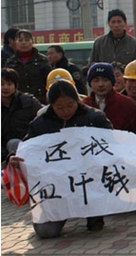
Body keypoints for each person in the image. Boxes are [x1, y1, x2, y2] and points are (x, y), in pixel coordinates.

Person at [9, 80, 113, 238]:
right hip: (56, 188)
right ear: (50, 105)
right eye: (59, 107)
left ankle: (94, 215)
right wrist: (15, 159)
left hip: (88, 181)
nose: (66, 111)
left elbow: (113, 145)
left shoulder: (94, 117)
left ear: (77, 100)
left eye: (70, 105)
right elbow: (27, 148)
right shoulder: (40, 124)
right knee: (45, 232)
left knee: (95, 224)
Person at [82, 63, 136, 133]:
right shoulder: (84, 105)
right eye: (96, 80)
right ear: (90, 83)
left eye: (105, 80)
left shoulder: (128, 105)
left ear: (112, 82)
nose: (101, 84)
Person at [1, 68, 42, 164]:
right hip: (3, 156)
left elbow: (43, 120)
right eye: (1, 84)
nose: (5, 88)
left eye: (9, 84)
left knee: (14, 143)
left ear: (16, 85)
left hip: (28, 150)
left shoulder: (28, 102)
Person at [4, 29, 52, 104]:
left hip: (40, 101)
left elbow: (49, 81)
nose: (23, 43)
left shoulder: (42, 60)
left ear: (32, 42)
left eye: (27, 40)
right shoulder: (10, 62)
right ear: (15, 42)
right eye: (20, 40)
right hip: (18, 103)